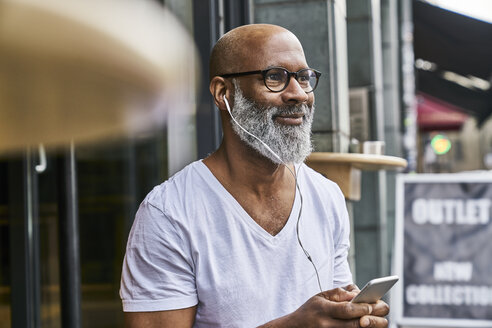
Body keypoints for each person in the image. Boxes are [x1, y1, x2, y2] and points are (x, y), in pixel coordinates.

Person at [120, 23, 390, 327]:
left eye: (303, 77)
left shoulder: (326, 197)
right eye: (275, 77)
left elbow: (333, 309)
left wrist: (353, 319)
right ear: (223, 93)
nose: (298, 94)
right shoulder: (169, 214)